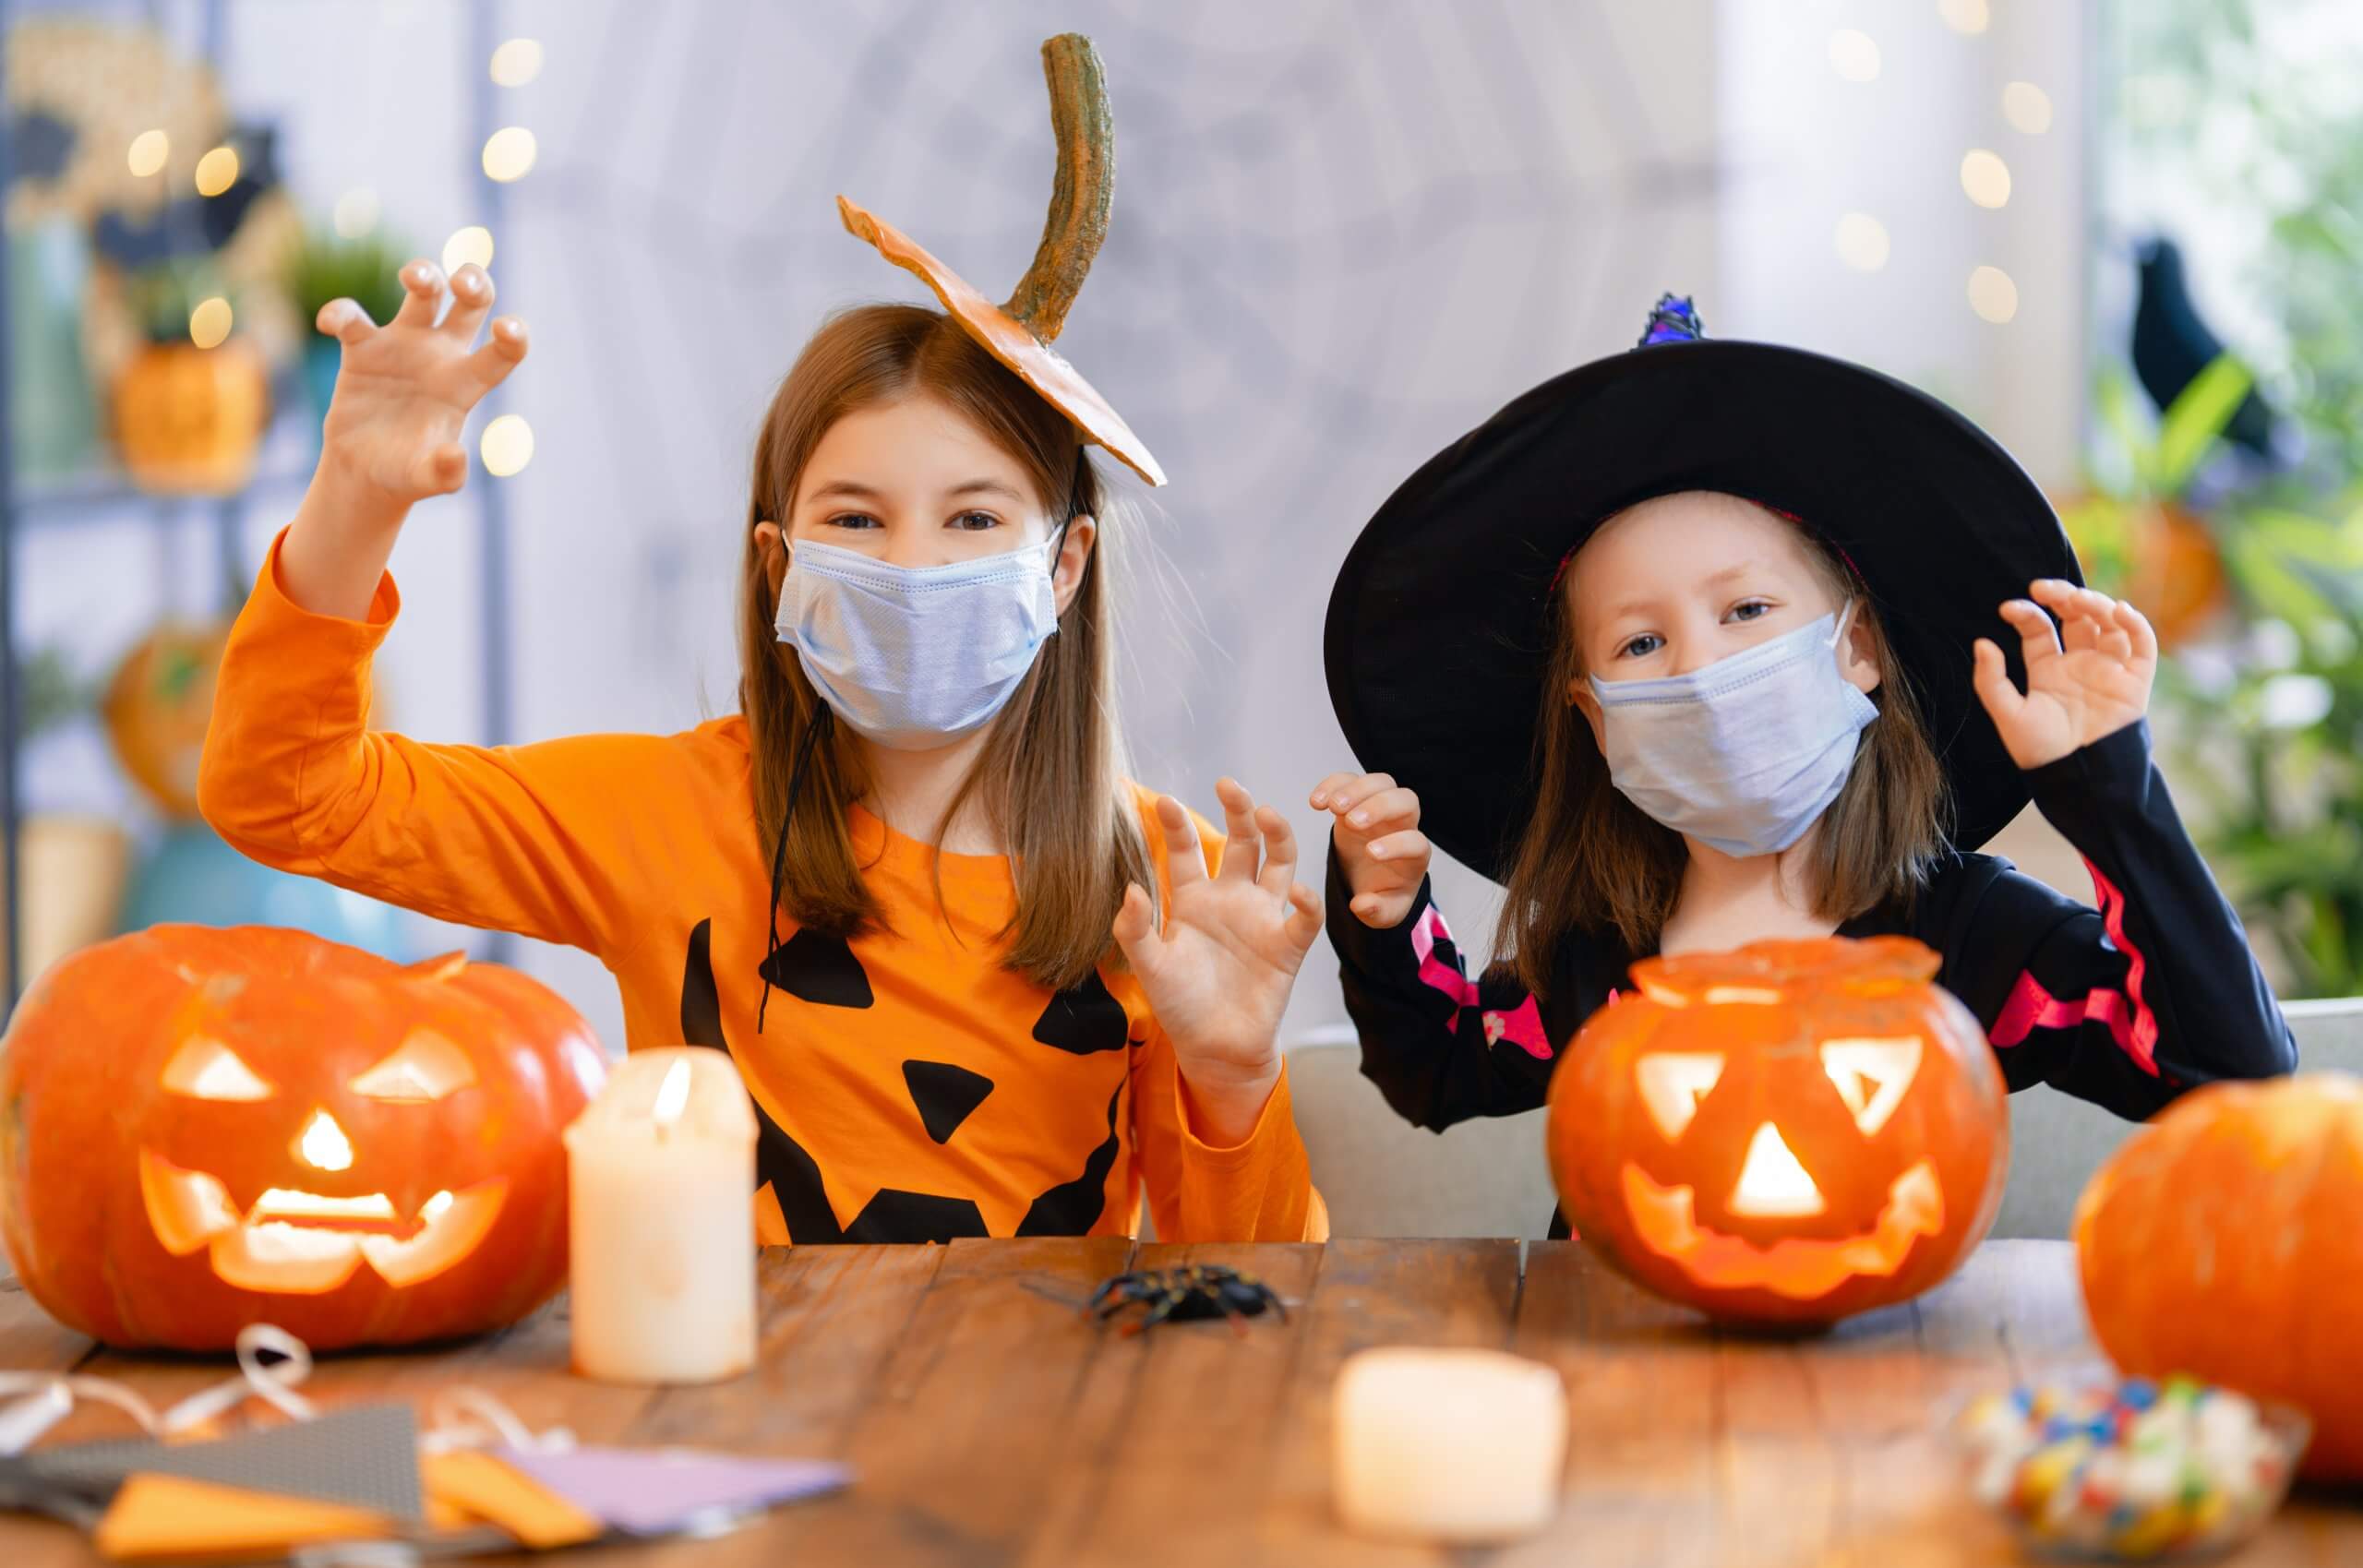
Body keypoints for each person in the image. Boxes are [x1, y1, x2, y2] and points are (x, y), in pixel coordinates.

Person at [199, 35, 1328, 1246]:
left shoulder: (1163, 882)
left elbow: (1259, 1299)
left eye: (973, 519)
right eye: (856, 518)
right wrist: (356, 502)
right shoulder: (670, 815)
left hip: (1027, 1423)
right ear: (781, 563)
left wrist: (1230, 1075)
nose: (911, 566)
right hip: (725, 1404)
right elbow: (288, 794)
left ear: (1062, 569)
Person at [1314, 293, 2293, 1228]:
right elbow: (1435, 1069)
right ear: (1597, 716)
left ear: (1856, 648)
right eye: (1640, 645)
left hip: (1885, 1383)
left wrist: (2108, 790)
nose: (1700, 669)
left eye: (1746, 611)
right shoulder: (1594, 963)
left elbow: (2229, 1071)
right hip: (1622, 1377)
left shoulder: (1977, 941)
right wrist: (1387, 908)